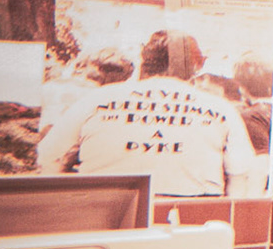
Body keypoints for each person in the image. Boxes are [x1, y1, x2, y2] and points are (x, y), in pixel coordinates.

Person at [37, 29, 260, 196]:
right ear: (195, 66)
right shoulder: (220, 108)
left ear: (144, 62)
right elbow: (241, 178)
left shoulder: (98, 99)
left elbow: (49, 158)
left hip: (104, 214)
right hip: (189, 221)